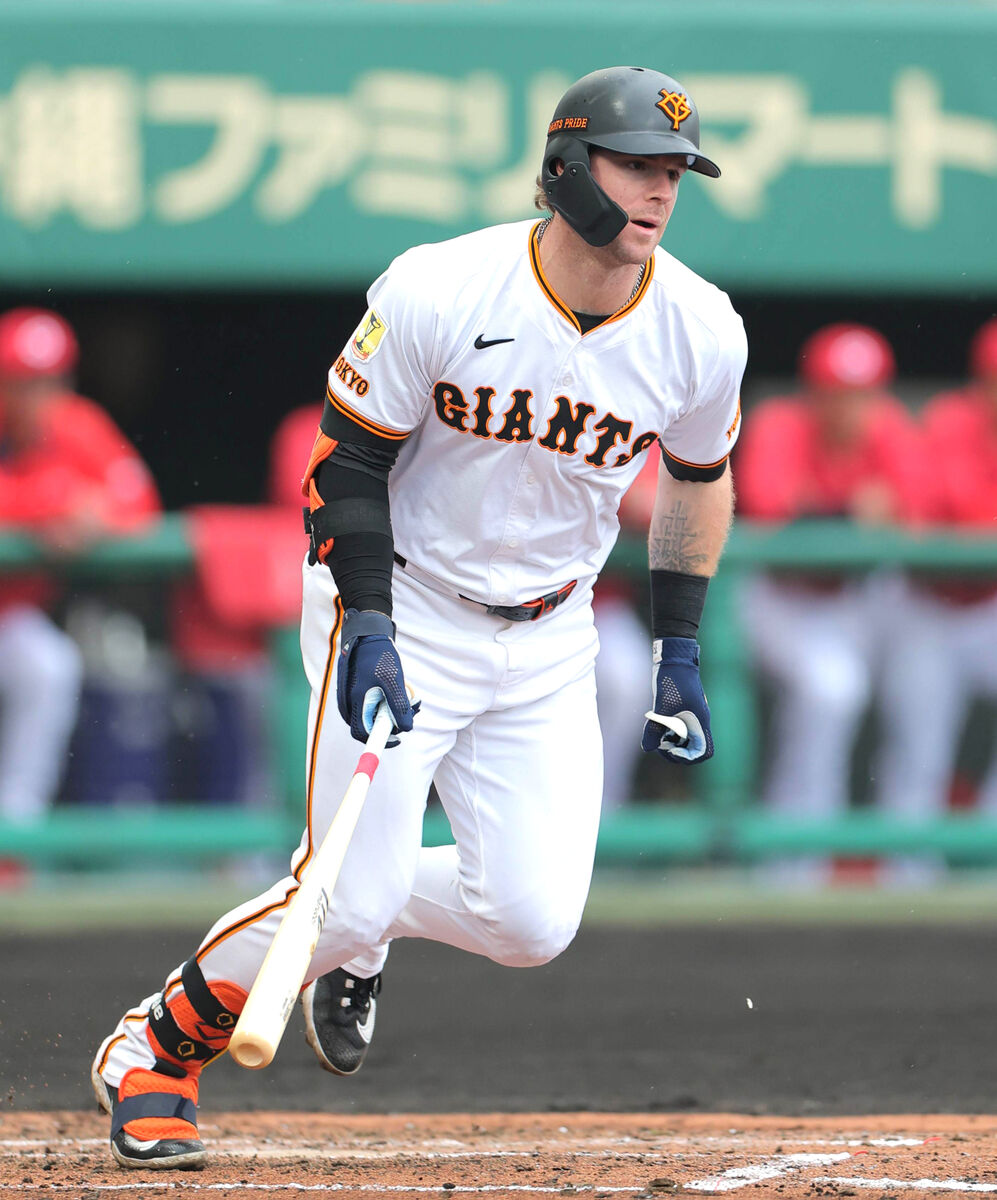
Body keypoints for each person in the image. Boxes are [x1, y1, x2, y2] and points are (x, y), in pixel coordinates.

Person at [91, 64, 746, 1169]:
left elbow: (697, 477)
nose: (659, 191)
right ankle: (154, 1050)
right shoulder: (442, 286)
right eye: (636, 163)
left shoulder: (699, 327)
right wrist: (369, 621)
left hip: (549, 632)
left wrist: (678, 643)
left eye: (675, 171)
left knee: (529, 924)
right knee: (344, 897)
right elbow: (346, 462)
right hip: (405, 599)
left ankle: (371, 923)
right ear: (566, 168)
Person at [735, 323, 926, 883]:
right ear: (812, 391)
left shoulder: (891, 427)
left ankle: (913, 860)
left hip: (858, 597)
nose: (850, 409)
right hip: (778, 596)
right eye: (836, 393)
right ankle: (791, 864)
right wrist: (849, 512)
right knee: (831, 690)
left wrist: (827, 510)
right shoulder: (779, 423)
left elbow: (916, 520)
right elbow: (772, 519)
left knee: (919, 681)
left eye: (862, 394)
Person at [0, 307, 160, 837]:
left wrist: (98, 515)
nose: (40, 396)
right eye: (24, 382)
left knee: (49, 667)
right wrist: (49, 502)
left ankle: (15, 837)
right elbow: (38, 500)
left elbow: (141, 503)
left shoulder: (76, 422)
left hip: (11, 616)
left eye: (52, 380)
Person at [874, 317, 997, 833]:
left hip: (988, 609)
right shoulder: (947, 421)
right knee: (919, 754)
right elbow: (919, 523)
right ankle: (908, 869)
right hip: (927, 605)